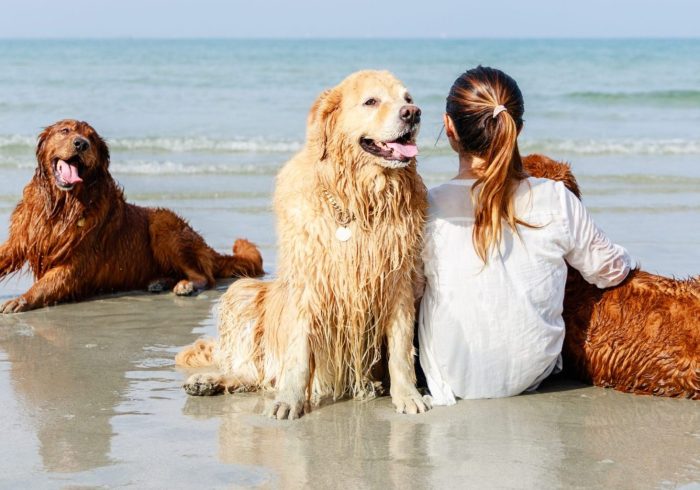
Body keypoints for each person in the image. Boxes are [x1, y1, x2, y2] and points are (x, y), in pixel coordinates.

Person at [417, 66, 635, 404]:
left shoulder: (428, 207)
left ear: (448, 127)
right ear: (516, 129)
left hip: (449, 379)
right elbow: (610, 271)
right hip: (533, 372)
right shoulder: (554, 197)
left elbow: (413, 292)